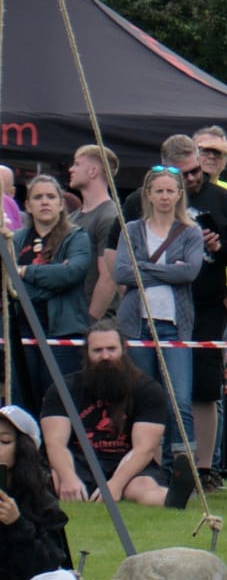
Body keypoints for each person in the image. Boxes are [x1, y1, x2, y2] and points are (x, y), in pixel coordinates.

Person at [113, 165, 203, 470]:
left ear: (179, 195)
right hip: (137, 325)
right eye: (159, 191)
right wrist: (169, 272)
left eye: (170, 191)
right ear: (148, 195)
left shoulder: (190, 232)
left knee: (179, 400)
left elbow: (189, 272)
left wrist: (144, 268)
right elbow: (122, 272)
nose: (165, 197)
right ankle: (143, 464)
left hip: (175, 326)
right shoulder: (132, 230)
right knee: (142, 397)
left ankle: (182, 465)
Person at [39, 321, 171, 506]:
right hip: (77, 462)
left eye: (111, 349)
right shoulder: (62, 388)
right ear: (87, 353)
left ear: (123, 350)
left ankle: (176, 498)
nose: (105, 356)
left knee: (141, 489)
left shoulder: (148, 389)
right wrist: (69, 479)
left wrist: (116, 485)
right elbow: (54, 443)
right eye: (97, 350)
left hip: (126, 463)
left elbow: (145, 448)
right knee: (52, 482)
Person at [10, 174, 94, 405]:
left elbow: (71, 274)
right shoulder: (15, 240)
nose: (44, 202)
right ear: (27, 205)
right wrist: (53, 279)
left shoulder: (76, 237)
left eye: (50, 196)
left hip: (62, 331)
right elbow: (7, 282)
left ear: (60, 203)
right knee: (23, 401)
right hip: (22, 330)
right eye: (37, 197)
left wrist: (24, 272)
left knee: (58, 402)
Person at [0, 405, 80, 580]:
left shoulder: (40, 498)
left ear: (23, 448)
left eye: (4, 442)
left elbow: (49, 566)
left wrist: (17, 525)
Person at [68, 144, 120, 318]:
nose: (71, 169)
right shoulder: (72, 219)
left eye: (76, 164)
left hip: (98, 320)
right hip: (72, 315)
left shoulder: (110, 217)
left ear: (93, 171)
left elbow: (108, 277)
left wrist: (90, 321)